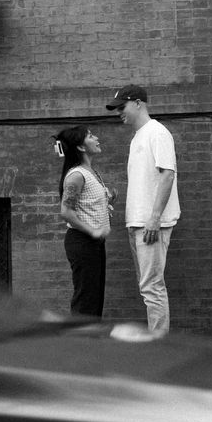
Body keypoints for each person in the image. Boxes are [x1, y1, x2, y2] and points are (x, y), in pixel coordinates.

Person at [105, 84, 179, 333]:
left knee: (152, 287)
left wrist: (154, 218)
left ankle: (159, 346)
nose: (118, 112)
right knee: (147, 286)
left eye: (121, 107)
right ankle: (157, 341)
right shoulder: (139, 136)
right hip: (137, 223)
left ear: (138, 103)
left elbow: (168, 174)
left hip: (150, 224)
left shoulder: (157, 132)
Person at [52, 125, 113, 317]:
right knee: (85, 300)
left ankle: (91, 343)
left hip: (93, 244)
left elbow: (85, 203)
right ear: (80, 147)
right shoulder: (77, 175)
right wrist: (93, 231)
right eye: (90, 136)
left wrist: (107, 200)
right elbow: (66, 211)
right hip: (82, 242)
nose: (96, 138)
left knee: (94, 298)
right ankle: (80, 344)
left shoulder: (90, 172)